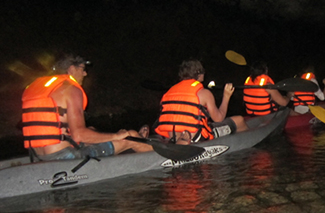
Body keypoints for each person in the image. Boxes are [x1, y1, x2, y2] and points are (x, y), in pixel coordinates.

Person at [22, 53, 153, 161]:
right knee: (130, 137)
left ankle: (141, 139)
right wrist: (116, 136)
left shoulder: (37, 88)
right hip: (63, 156)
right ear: (72, 69)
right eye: (82, 69)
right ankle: (158, 155)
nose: (85, 74)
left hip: (37, 154)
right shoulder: (71, 89)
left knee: (92, 129)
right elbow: (79, 135)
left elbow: (71, 133)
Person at [155, 59, 248, 144]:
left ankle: (179, 142)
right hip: (196, 137)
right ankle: (245, 144)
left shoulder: (169, 92)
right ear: (199, 73)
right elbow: (219, 118)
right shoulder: (204, 93)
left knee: (207, 123)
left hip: (172, 136)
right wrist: (226, 96)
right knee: (240, 120)